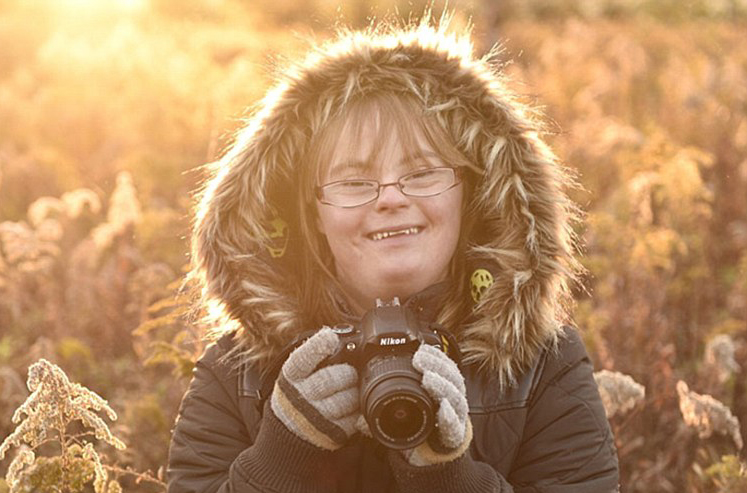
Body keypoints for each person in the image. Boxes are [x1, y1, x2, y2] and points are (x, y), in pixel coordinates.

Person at [167, 15, 620, 493]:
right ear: (312, 214)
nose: (390, 199)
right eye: (354, 182)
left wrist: (450, 478)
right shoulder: (238, 373)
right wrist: (282, 454)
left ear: (471, 194)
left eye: (422, 173)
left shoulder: (541, 366)